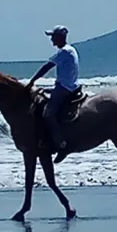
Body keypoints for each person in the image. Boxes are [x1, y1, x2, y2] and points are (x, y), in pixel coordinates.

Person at [27, 26, 80, 163]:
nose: (51, 40)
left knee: (48, 114)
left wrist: (32, 81)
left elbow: (47, 66)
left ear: (60, 37)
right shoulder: (71, 49)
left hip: (65, 88)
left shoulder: (64, 52)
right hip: (67, 86)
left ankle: (61, 144)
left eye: (53, 36)